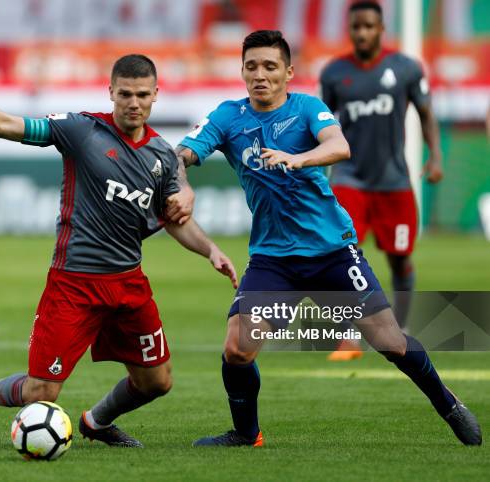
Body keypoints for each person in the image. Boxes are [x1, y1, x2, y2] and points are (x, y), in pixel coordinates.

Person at [0, 54, 237, 448]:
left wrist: (210, 250)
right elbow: (6, 125)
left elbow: (175, 219)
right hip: (73, 284)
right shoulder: (81, 130)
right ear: (111, 91)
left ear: (155, 96)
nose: (134, 102)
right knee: (40, 392)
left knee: (156, 382)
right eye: (126, 93)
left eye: (142, 94)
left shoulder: (162, 155)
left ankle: (97, 422)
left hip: (128, 283)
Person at [175, 30, 481, 447]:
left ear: (288, 72)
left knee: (390, 343)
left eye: (269, 66)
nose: (260, 75)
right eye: (251, 66)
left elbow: (339, 146)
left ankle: (449, 404)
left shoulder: (307, 109)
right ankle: (247, 435)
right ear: (242, 71)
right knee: (237, 348)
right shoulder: (228, 117)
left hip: (333, 251)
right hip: (274, 258)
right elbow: (183, 153)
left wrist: (297, 159)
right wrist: (182, 186)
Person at [320, 1, 444, 361]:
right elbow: (321, 124)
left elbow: (426, 113)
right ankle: (347, 338)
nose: (361, 33)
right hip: (349, 178)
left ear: (381, 28)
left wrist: (435, 156)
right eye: (356, 27)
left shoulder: (405, 68)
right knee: (342, 257)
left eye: (368, 26)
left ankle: (400, 332)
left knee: (399, 259)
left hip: (393, 181)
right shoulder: (333, 73)